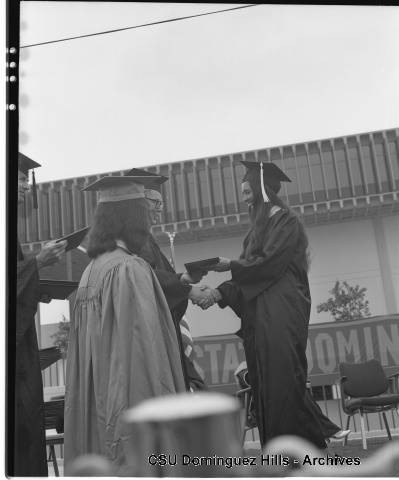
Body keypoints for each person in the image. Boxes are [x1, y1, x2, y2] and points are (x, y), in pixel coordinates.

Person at [197, 161, 327, 449]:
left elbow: (266, 265)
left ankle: (299, 453)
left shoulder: (285, 221)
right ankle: (278, 453)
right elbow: (250, 273)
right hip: (261, 315)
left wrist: (231, 266)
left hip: (280, 313)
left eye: (248, 189)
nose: (243, 194)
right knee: (265, 384)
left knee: (283, 383)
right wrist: (218, 293)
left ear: (264, 190)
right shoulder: (256, 230)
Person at [64, 175, 186, 474]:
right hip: (128, 419)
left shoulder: (91, 271)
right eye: (144, 213)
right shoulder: (129, 269)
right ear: (134, 218)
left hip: (98, 410)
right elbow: (144, 359)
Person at [126, 167, 208, 391]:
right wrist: (186, 287)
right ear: (140, 202)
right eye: (156, 202)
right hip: (148, 330)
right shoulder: (133, 236)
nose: (160, 209)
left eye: (162, 203)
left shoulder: (143, 236)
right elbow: (146, 275)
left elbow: (161, 275)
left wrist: (185, 282)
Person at [13, 153, 67, 476]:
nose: (24, 185)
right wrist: (36, 263)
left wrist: (38, 285)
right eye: (18, 178)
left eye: (23, 180)